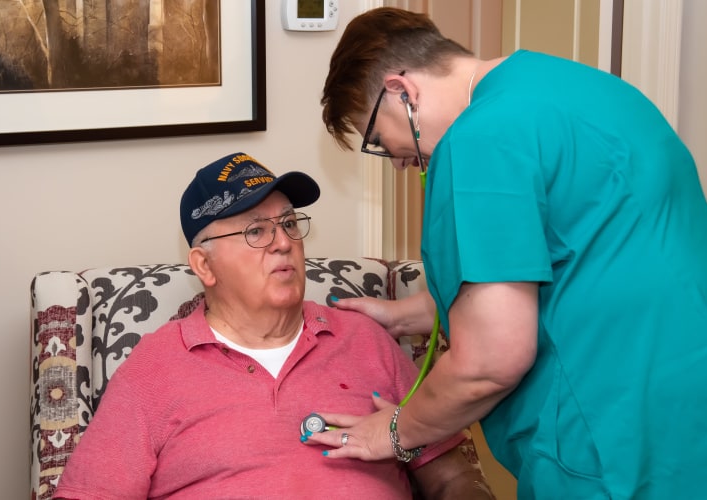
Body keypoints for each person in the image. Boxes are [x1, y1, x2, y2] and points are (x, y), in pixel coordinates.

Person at [304, 6, 707, 499]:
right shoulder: (587, 88)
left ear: (402, 91)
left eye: (377, 138)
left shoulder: (479, 140)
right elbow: (572, 258)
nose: (396, 161)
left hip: (613, 434)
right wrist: (401, 317)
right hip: (697, 399)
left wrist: (393, 433)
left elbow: (490, 363)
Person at [54, 152, 494, 499]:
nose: (283, 242)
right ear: (204, 265)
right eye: (255, 232)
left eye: (288, 224)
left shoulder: (365, 340)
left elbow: (454, 479)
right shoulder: (153, 369)